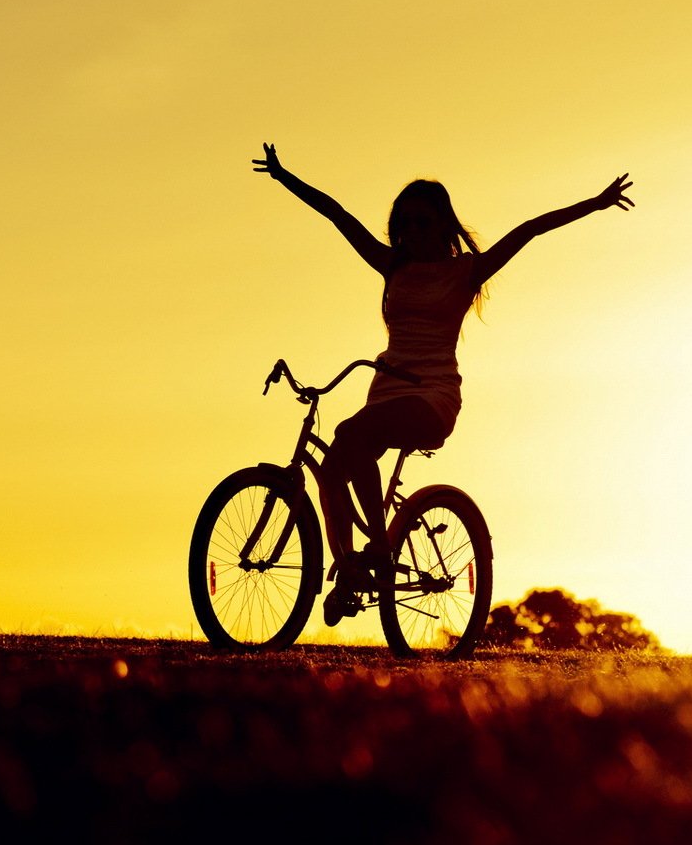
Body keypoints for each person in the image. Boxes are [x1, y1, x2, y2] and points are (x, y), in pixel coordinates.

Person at [251, 142, 635, 624]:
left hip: (431, 398)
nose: (410, 231)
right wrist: (285, 177)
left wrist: (594, 203)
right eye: (402, 223)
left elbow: (530, 230)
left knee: (351, 436)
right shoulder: (393, 267)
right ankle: (350, 566)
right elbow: (337, 214)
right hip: (387, 392)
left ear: (442, 227)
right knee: (334, 466)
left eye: (421, 222)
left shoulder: (465, 272)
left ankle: (377, 551)